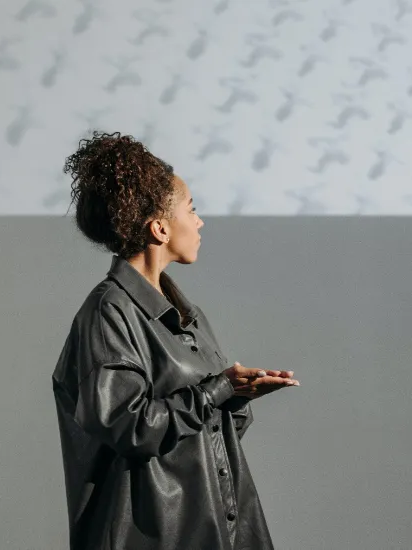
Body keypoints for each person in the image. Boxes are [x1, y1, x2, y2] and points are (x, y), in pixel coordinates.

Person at [51, 132, 297, 549]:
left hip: (214, 529)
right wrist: (216, 390)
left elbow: (203, 437)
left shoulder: (185, 313)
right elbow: (126, 425)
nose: (199, 222)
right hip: (156, 537)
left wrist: (236, 396)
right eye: (192, 209)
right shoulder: (110, 312)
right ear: (160, 227)